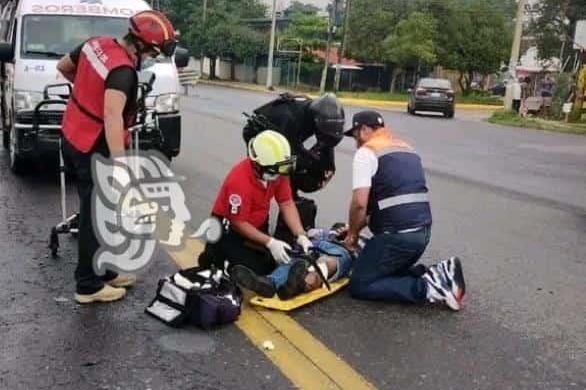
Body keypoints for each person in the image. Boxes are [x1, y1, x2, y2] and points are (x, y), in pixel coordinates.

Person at [57, 10, 177, 304]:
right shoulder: (123, 72)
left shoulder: (95, 44)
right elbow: (112, 117)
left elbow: (64, 67)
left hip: (71, 132)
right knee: (95, 214)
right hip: (92, 145)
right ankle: (87, 286)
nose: (151, 59)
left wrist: (88, 94)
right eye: (152, 53)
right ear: (140, 46)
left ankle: (105, 271)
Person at [198, 130, 352, 300]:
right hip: (228, 229)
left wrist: (300, 235)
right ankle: (215, 257)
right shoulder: (239, 180)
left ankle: (276, 280)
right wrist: (270, 242)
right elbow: (238, 222)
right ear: (258, 165)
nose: (280, 175)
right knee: (253, 266)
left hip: (256, 226)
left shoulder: (277, 170)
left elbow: (286, 203)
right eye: (276, 170)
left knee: (277, 261)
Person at [342, 111, 466, 311]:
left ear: (364, 130)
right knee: (380, 271)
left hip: (398, 239)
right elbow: (390, 203)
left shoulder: (367, 153)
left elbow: (359, 204)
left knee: (360, 284)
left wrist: (352, 235)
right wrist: (352, 225)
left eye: (355, 136)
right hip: (421, 236)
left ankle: (428, 288)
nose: (356, 142)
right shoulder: (407, 149)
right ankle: (434, 273)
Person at [242, 92, 346, 243]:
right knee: (269, 178)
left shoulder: (317, 115)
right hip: (260, 138)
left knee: (293, 178)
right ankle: (257, 223)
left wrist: (323, 162)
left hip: (287, 138)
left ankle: (292, 221)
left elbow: (325, 145)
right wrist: (310, 160)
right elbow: (287, 155)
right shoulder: (290, 118)